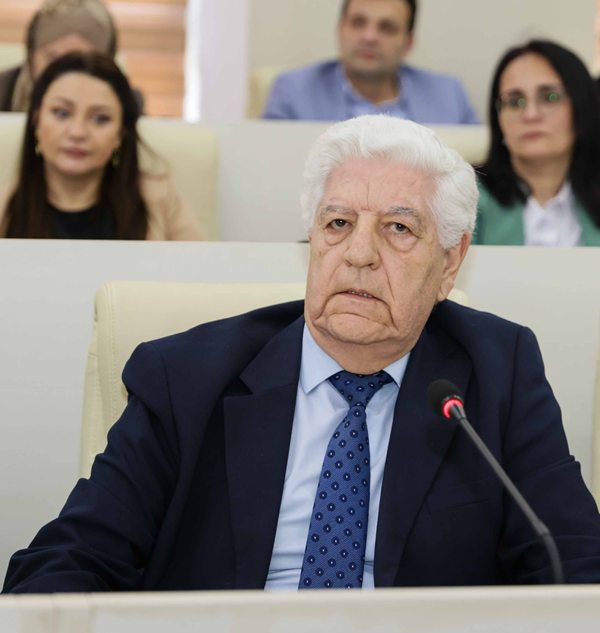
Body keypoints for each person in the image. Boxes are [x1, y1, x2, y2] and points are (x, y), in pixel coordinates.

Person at [4, 114, 600, 593]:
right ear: (312, 238)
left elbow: (575, 564)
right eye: (338, 223)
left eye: (398, 229)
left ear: (450, 261)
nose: (359, 254)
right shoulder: (184, 378)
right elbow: (67, 562)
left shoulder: (498, 372)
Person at [0, 51, 202, 240]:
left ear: (121, 134)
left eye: (100, 118)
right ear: (36, 121)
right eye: (62, 113)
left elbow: (201, 263)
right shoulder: (5, 205)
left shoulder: (159, 199)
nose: (78, 132)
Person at [262, 0, 478, 124]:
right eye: (358, 23)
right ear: (340, 29)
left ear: (408, 43)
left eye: (386, 27)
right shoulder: (293, 91)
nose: (369, 37)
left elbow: (479, 173)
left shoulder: (449, 94)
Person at [474, 40, 600, 246]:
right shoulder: (465, 200)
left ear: (581, 107)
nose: (530, 114)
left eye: (550, 97)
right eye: (515, 101)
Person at [0, 0, 143, 113]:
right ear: (31, 56)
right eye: (53, 59)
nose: (64, 74)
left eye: (80, 62)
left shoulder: (128, 105)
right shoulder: (3, 90)